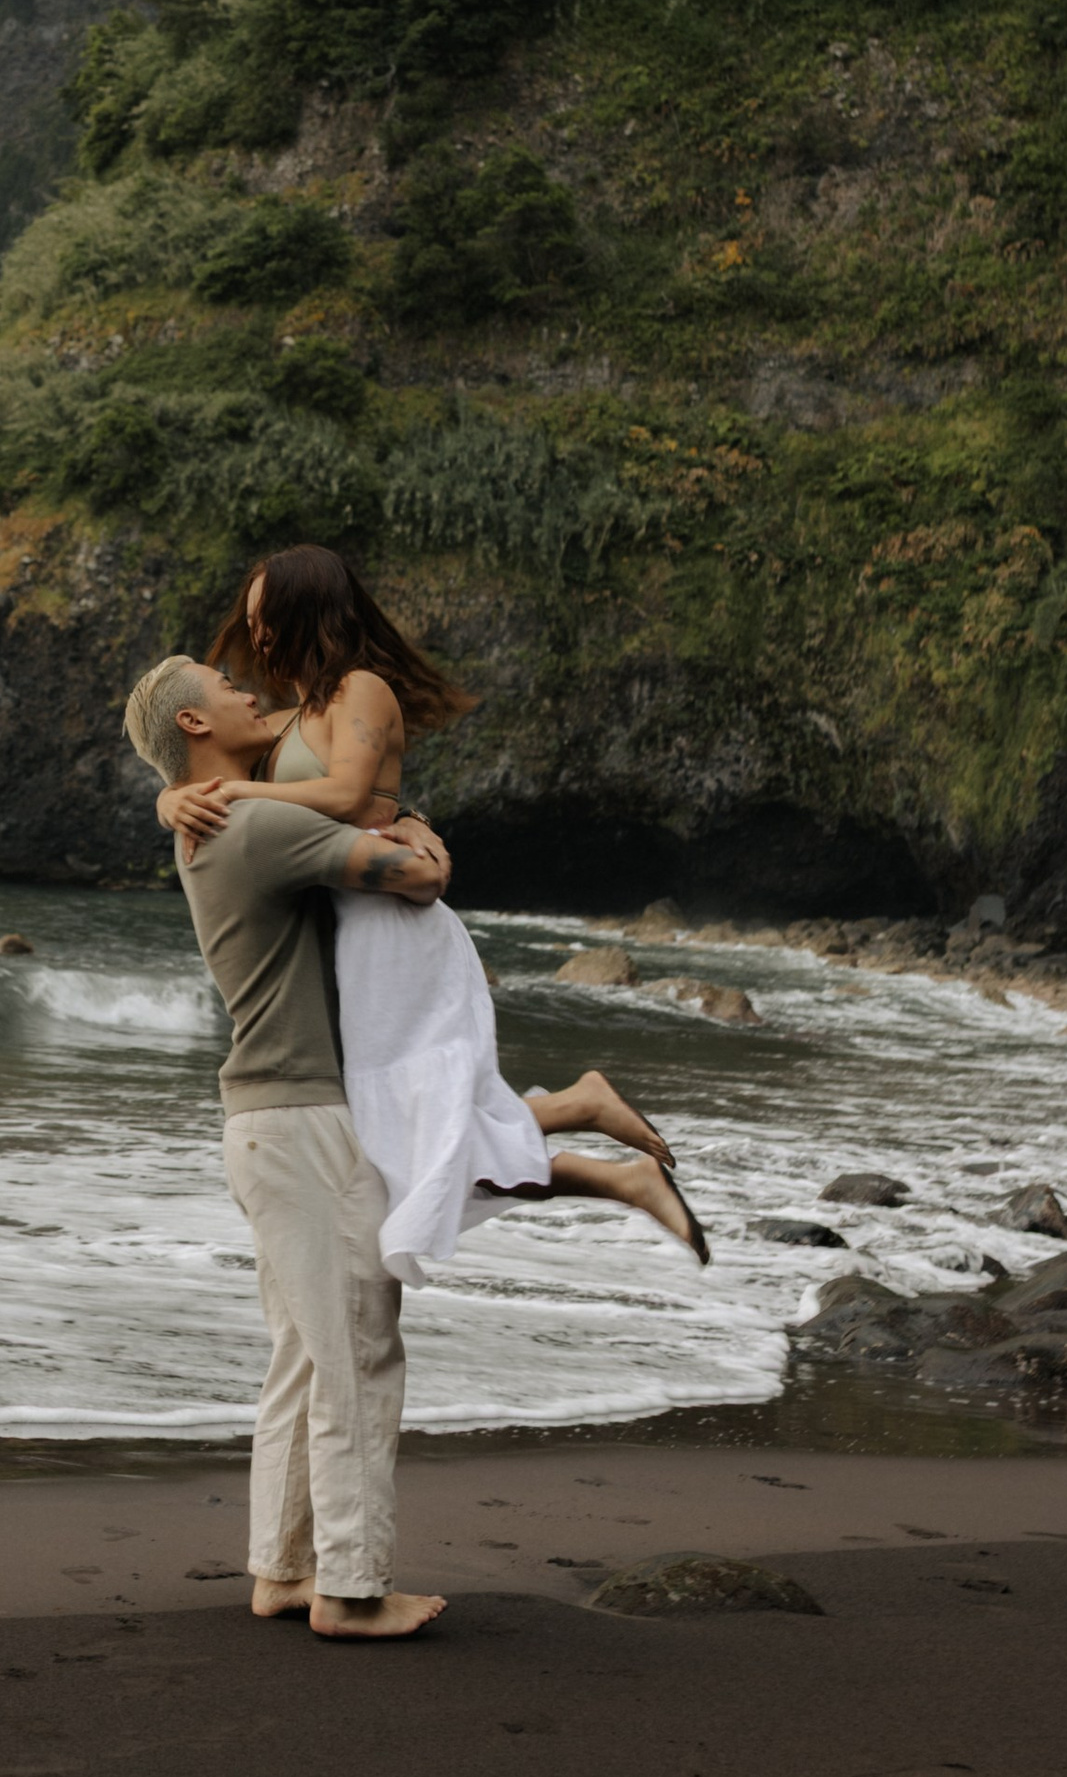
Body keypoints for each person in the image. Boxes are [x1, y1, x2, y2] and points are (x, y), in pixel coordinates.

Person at [155, 546, 710, 1279]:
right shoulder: (291, 721)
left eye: (265, 619)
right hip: (355, 929)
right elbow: (211, 762)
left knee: (404, 1129)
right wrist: (171, 798)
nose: (255, 637)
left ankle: (593, 1132)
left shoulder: (361, 690)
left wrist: (237, 797)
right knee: (398, 1135)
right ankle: (592, 1131)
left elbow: (351, 799)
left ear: (305, 613)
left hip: (396, 925)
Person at [124, 647, 454, 1640]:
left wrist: (167, 799)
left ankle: (281, 1569)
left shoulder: (223, 816)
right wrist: (423, 827)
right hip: (303, 1118)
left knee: (306, 1357)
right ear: (193, 725)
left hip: (267, 1122)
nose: (249, 691)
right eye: (223, 687)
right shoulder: (254, 823)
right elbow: (417, 876)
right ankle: (349, 1589)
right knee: (355, 1346)